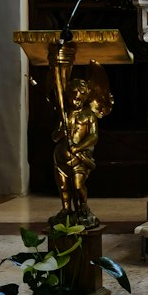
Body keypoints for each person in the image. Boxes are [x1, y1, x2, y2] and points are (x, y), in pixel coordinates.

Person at [52, 63, 113, 226]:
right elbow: (54, 136)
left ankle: (82, 207)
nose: (76, 101)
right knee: (64, 188)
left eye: (80, 98)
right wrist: (61, 133)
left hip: (80, 158)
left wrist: (78, 147)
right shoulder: (65, 115)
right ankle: (66, 209)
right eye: (73, 97)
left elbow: (93, 136)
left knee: (78, 186)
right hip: (60, 158)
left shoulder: (88, 116)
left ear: (86, 97)